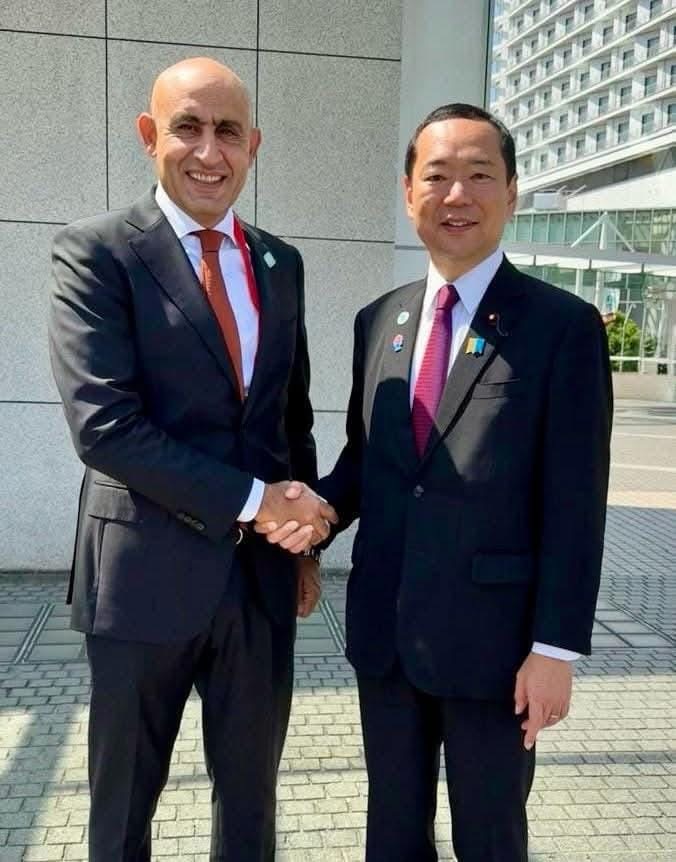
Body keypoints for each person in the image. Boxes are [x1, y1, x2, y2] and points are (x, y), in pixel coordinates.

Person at [258, 103, 612, 861]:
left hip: (497, 648)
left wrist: (555, 649)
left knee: (491, 838)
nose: (457, 195)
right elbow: (369, 464)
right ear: (407, 190)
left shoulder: (562, 327)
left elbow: (576, 504)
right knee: (392, 834)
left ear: (511, 193)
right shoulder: (378, 321)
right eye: (438, 175)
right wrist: (311, 513)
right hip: (387, 634)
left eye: (479, 175)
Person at [48, 57, 336, 862]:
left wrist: (305, 546)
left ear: (254, 147)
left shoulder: (281, 263)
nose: (210, 152)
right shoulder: (97, 252)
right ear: (150, 135)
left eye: (228, 132)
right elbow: (105, 426)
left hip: (259, 586)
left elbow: (290, 417)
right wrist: (256, 499)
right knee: (122, 813)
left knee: (250, 810)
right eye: (188, 128)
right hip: (140, 579)